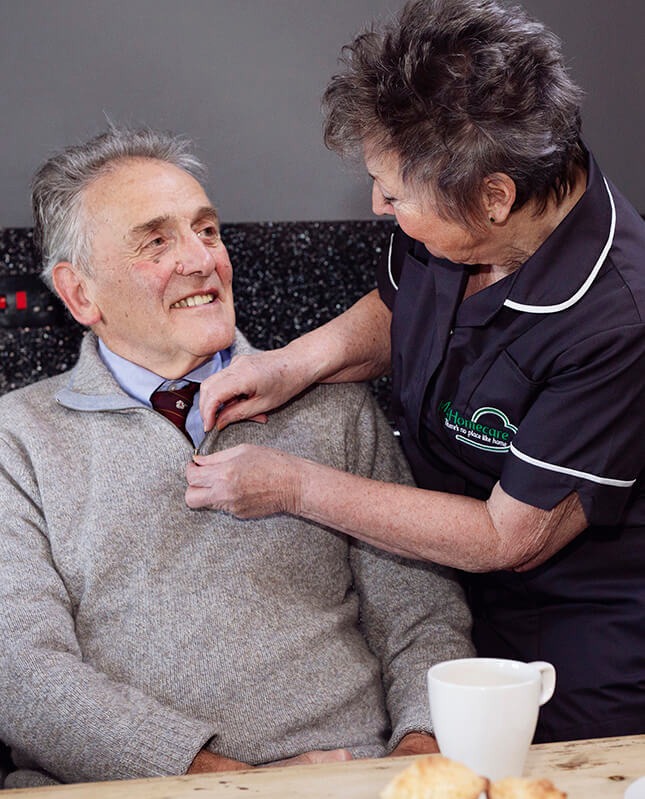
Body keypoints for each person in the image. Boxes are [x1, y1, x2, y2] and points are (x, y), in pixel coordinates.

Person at [189, 0, 645, 744]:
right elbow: (401, 308)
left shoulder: (618, 319)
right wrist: (292, 363)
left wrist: (294, 486)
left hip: (574, 611)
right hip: (439, 571)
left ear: (493, 198)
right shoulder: (452, 213)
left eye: (394, 194)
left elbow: (508, 536)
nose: (378, 205)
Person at [0, 126, 475, 789]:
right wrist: (225, 782)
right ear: (80, 293)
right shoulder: (18, 438)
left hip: (348, 777)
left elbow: (422, 618)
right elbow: (22, 675)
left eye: (207, 231)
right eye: (156, 241)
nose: (201, 260)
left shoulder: (331, 406)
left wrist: (416, 755)